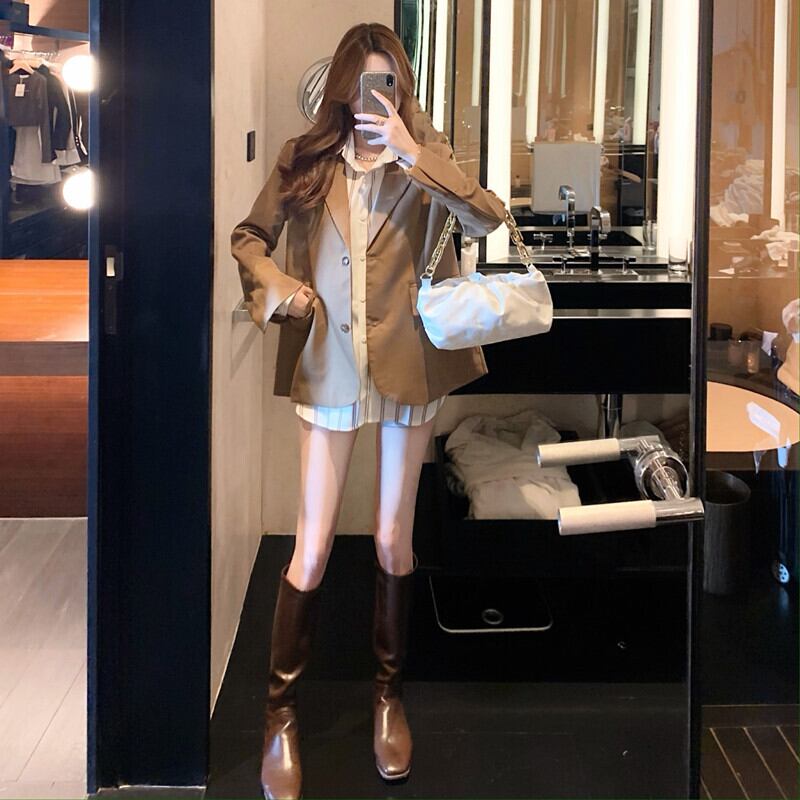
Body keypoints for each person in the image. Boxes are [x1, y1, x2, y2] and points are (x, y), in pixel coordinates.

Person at [230, 21, 506, 800]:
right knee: (313, 547)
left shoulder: (426, 156)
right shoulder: (306, 157)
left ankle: (389, 697)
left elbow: (487, 219)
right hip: (330, 368)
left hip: (408, 368)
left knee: (391, 537)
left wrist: (417, 155)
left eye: (386, 83)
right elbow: (249, 238)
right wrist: (280, 290)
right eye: (360, 84)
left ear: (401, 89)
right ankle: (279, 716)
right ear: (341, 88)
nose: (371, 98)